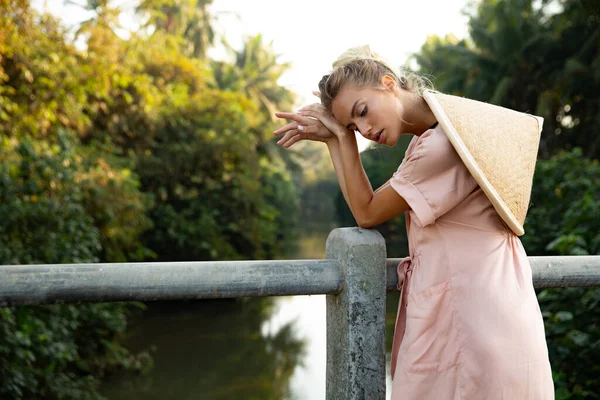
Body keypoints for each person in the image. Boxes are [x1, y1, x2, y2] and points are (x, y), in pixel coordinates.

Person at [273, 45, 554, 399]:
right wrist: (337, 138)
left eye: (362, 112)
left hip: (475, 315)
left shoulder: (440, 147)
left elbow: (367, 212)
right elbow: (367, 206)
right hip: (484, 300)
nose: (363, 129)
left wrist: (339, 138)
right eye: (353, 126)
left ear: (389, 84)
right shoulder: (436, 139)